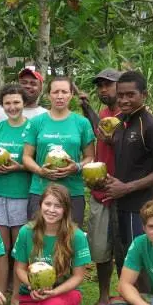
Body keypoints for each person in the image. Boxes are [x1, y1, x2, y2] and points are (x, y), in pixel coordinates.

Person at [102, 70, 153, 269]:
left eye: (130, 95)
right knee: (125, 259)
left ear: (144, 95)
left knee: (142, 262)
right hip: (121, 205)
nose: (124, 100)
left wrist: (127, 187)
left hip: (142, 208)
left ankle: (144, 300)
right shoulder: (121, 123)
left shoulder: (151, 126)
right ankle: (129, 299)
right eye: (121, 95)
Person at [12, 184, 91, 305]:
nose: (52, 210)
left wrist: (54, 292)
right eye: (48, 204)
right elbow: (19, 268)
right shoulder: (27, 231)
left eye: (58, 206)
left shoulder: (76, 236)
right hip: (31, 293)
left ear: (66, 210)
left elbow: (78, 276)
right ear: (40, 205)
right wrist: (32, 285)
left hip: (63, 291)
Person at [77, 68, 122, 305]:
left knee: (125, 250)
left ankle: (127, 299)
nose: (104, 90)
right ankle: (104, 296)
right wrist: (87, 108)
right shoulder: (105, 112)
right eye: (100, 86)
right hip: (99, 191)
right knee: (101, 251)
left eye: (108, 85)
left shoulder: (130, 115)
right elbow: (100, 132)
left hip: (122, 191)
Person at [0, 84, 32, 305]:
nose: (12, 107)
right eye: (7, 103)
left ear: (24, 104)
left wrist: (17, 167)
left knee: (19, 248)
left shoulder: (32, 128)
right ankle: (1, 292)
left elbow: (36, 162)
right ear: (1, 106)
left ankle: (16, 297)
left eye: (16, 102)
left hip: (21, 193)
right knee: (1, 247)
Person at [22, 77, 95, 225]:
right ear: (48, 95)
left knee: (71, 239)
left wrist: (77, 167)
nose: (60, 96)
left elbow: (90, 157)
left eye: (64, 92)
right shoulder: (37, 122)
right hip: (41, 190)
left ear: (71, 95)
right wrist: (40, 170)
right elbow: (26, 157)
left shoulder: (82, 123)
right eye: (55, 92)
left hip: (72, 191)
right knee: (38, 238)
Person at [0, 66, 48, 132]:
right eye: (24, 82)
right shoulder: (0, 110)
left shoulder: (46, 116)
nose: (27, 86)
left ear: (41, 88)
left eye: (33, 83)